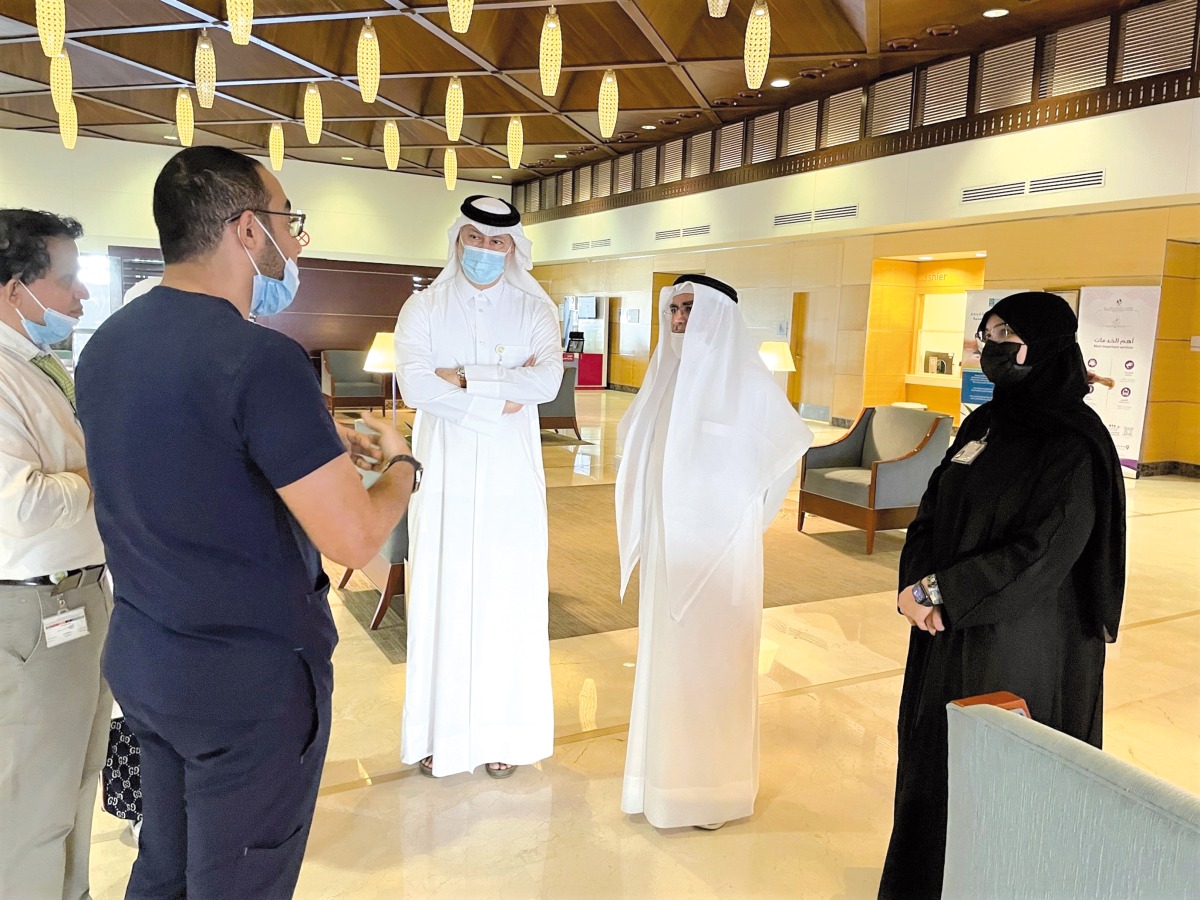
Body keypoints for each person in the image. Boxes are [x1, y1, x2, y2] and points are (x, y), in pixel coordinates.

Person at [75, 146, 419, 899]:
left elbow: (169, 474)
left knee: (164, 865)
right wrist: (401, 469)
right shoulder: (260, 357)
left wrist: (315, 448)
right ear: (246, 231)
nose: (295, 244)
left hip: (147, 657)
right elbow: (356, 539)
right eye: (287, 223)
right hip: (246, 682)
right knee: (239, 879)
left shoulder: (105, 348)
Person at [879, 291, 1126, 899]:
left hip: (1022, 643)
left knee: (997, 776)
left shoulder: (1074, 441)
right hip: (946, 629)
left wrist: (944, 591)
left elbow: (1044, 551)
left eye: (1005, 336)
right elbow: (933, 507)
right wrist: (915, 585)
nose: (990, 348)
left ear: (1042, 347)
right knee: (936, 762)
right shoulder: (984, 422)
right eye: (987, 334)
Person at [615, 274, 813, 830]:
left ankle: (713, 794)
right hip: (668, 555)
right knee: (667, 669)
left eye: (689, 310)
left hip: (722, 560)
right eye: (673, 310)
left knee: (715, 671)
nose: (679, 321)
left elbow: (779, 461)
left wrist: (733, 528)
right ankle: (658, 786)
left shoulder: (749, 384)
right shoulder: (665, 377)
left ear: (718, 317)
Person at [394, 195, 563, 779]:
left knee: (506, 599)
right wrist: (499, 398)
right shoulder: (423, 307)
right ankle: (440, 735)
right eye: (475, 239)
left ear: (513, 247)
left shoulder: (536, 310)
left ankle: (504, 737)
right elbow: (414, 385)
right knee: (443, 594)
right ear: (457, 241)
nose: (486, 252)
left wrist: (465, 377)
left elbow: (545, 380)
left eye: (498, 243)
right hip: (444, 476)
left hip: (512, 480)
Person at [0, 209, 111, 900]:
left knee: (71, 793)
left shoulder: (36, 368)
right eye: (68, 280)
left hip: (74, 601)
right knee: (31, 813)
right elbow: (18, 503)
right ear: (16, 289)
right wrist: (106, 477)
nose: (81, 297)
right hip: (33, 609)